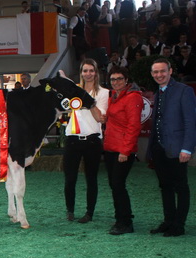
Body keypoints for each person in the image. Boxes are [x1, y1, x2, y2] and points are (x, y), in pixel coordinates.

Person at [147, 58, 196, 237]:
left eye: (162, 71)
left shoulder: (185, 91)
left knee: (181, 186)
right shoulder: (158, 91)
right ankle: (168, 221)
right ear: (152, 74)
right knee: (165, 186)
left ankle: (179, 225)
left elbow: (191, 122)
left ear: (170, 71)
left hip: (177, 149)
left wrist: (187, 148)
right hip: (159, 148)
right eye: (155, 72)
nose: (159, 75)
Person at [64, 59, 108, 223]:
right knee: (70, 179)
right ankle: (70, 211)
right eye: (85, 71)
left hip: (92, 141)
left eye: (91, 71)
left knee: (91, 178)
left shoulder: (103, 93)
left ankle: (89, 213)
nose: (88, 74)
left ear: (96, 73)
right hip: (72, 139)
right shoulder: (73, 90)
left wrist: (87, 100)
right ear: (81, 72)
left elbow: (100, 118)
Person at [103, 66, 143, 235]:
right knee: (115, 185)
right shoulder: (114, 96)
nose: (116, 82)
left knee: (118, 185)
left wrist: (125, 151)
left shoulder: (133, 97)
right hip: (110, 147)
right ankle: (121, 217)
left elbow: (134, 127)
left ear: (126, 80)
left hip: (123, 150)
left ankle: (125, 222)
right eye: (113, 79)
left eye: (119, 79)